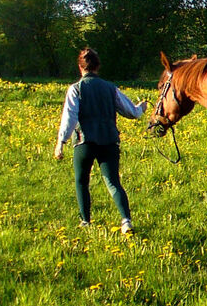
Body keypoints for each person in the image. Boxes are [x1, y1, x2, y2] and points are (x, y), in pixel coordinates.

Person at [54, 47, 147, 233]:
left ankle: (86, 221)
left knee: (82, 181)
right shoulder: (110, 88)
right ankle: (126, 220)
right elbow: (131, 112)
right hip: (109, 141)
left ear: (80, 68)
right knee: (113, 182)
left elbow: (70, 117)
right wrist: (141, 108)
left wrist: (61, 142)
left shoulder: (75, 89)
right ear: (98, 67)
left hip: (84, 142)